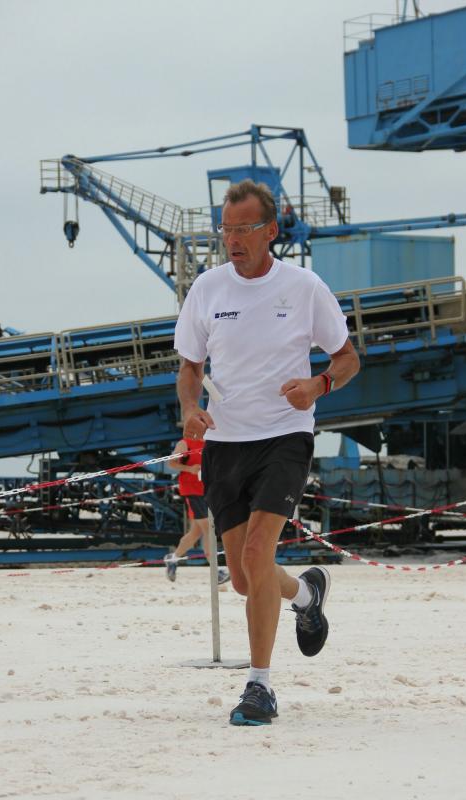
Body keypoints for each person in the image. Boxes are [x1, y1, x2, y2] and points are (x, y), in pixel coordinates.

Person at [174, 179, 360, 726]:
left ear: (271, 231)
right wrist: (190, 408)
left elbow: (348, 358)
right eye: (225, 230)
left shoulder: (304, 287)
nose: (232, 240)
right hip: (224, 443)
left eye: (244, 229)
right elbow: (190, 367)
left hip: (285, 435)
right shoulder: (207, 289)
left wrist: (319, 385)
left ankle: (259, 687)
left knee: (258, 553)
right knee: (243, 578)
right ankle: (305, 595)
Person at [166, 436, 230, 584]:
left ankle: (173, 558)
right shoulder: (185, 443)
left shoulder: (212, 442)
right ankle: (216, 571)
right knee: (208, 528)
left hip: (208, 491)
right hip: (192, 491)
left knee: (196, 533)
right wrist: (190, 469)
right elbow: (171, 463)